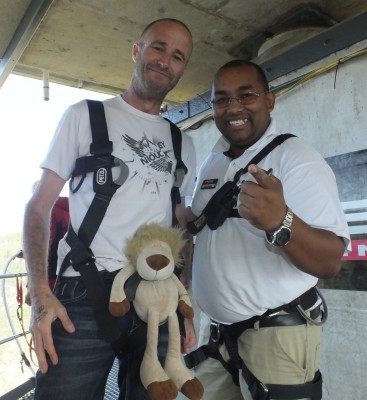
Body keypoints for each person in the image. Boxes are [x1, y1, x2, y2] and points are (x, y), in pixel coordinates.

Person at [23, 18, 196, 400]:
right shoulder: (84, 116)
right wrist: (39, 294)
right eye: (158, 47)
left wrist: (184, 303)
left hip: (157, 300)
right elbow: (38, 207)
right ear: (136, 51)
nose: (165, 60)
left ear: (183, 70)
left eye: (178, 56)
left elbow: (181, 226)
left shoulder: (182, 142)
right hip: (83, 297)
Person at [186, 60, 350, 400]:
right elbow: (201, 232)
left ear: (270, 101)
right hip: (217, 337)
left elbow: (330, 262)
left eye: (246, 95)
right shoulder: (212, 162)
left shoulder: (298, 159)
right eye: (222, 99)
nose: (233, 108)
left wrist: (281, 220)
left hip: (277, 340)